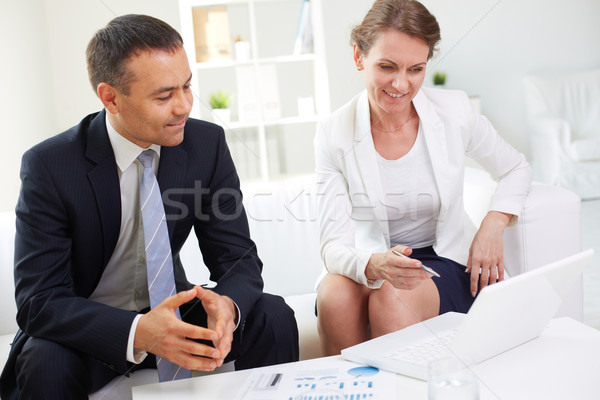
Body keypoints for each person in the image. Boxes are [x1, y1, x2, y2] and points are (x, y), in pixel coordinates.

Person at [0, 14, 298, 400]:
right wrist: (138, 331)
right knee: (46, 361)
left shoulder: (206, 145)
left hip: (172, 312)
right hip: (90, 327)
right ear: (110, 97)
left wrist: (227, 306)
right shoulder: (51, 165)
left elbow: (238, 258)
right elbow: (39, 301)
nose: (185, 106)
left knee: (270, 317)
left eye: (187, 86)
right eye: (164, 96)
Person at [314, 0, 532, 356]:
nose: (401, 84)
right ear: (358, 57)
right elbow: (332, 245)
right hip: (372, 256)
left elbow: (515, 167)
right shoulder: (333, 133)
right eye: (387, 66)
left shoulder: (455, 111)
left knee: (393, 297)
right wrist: (373, 264)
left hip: (442, 257)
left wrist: (492, 223)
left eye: (415, 69)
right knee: (335, 297)